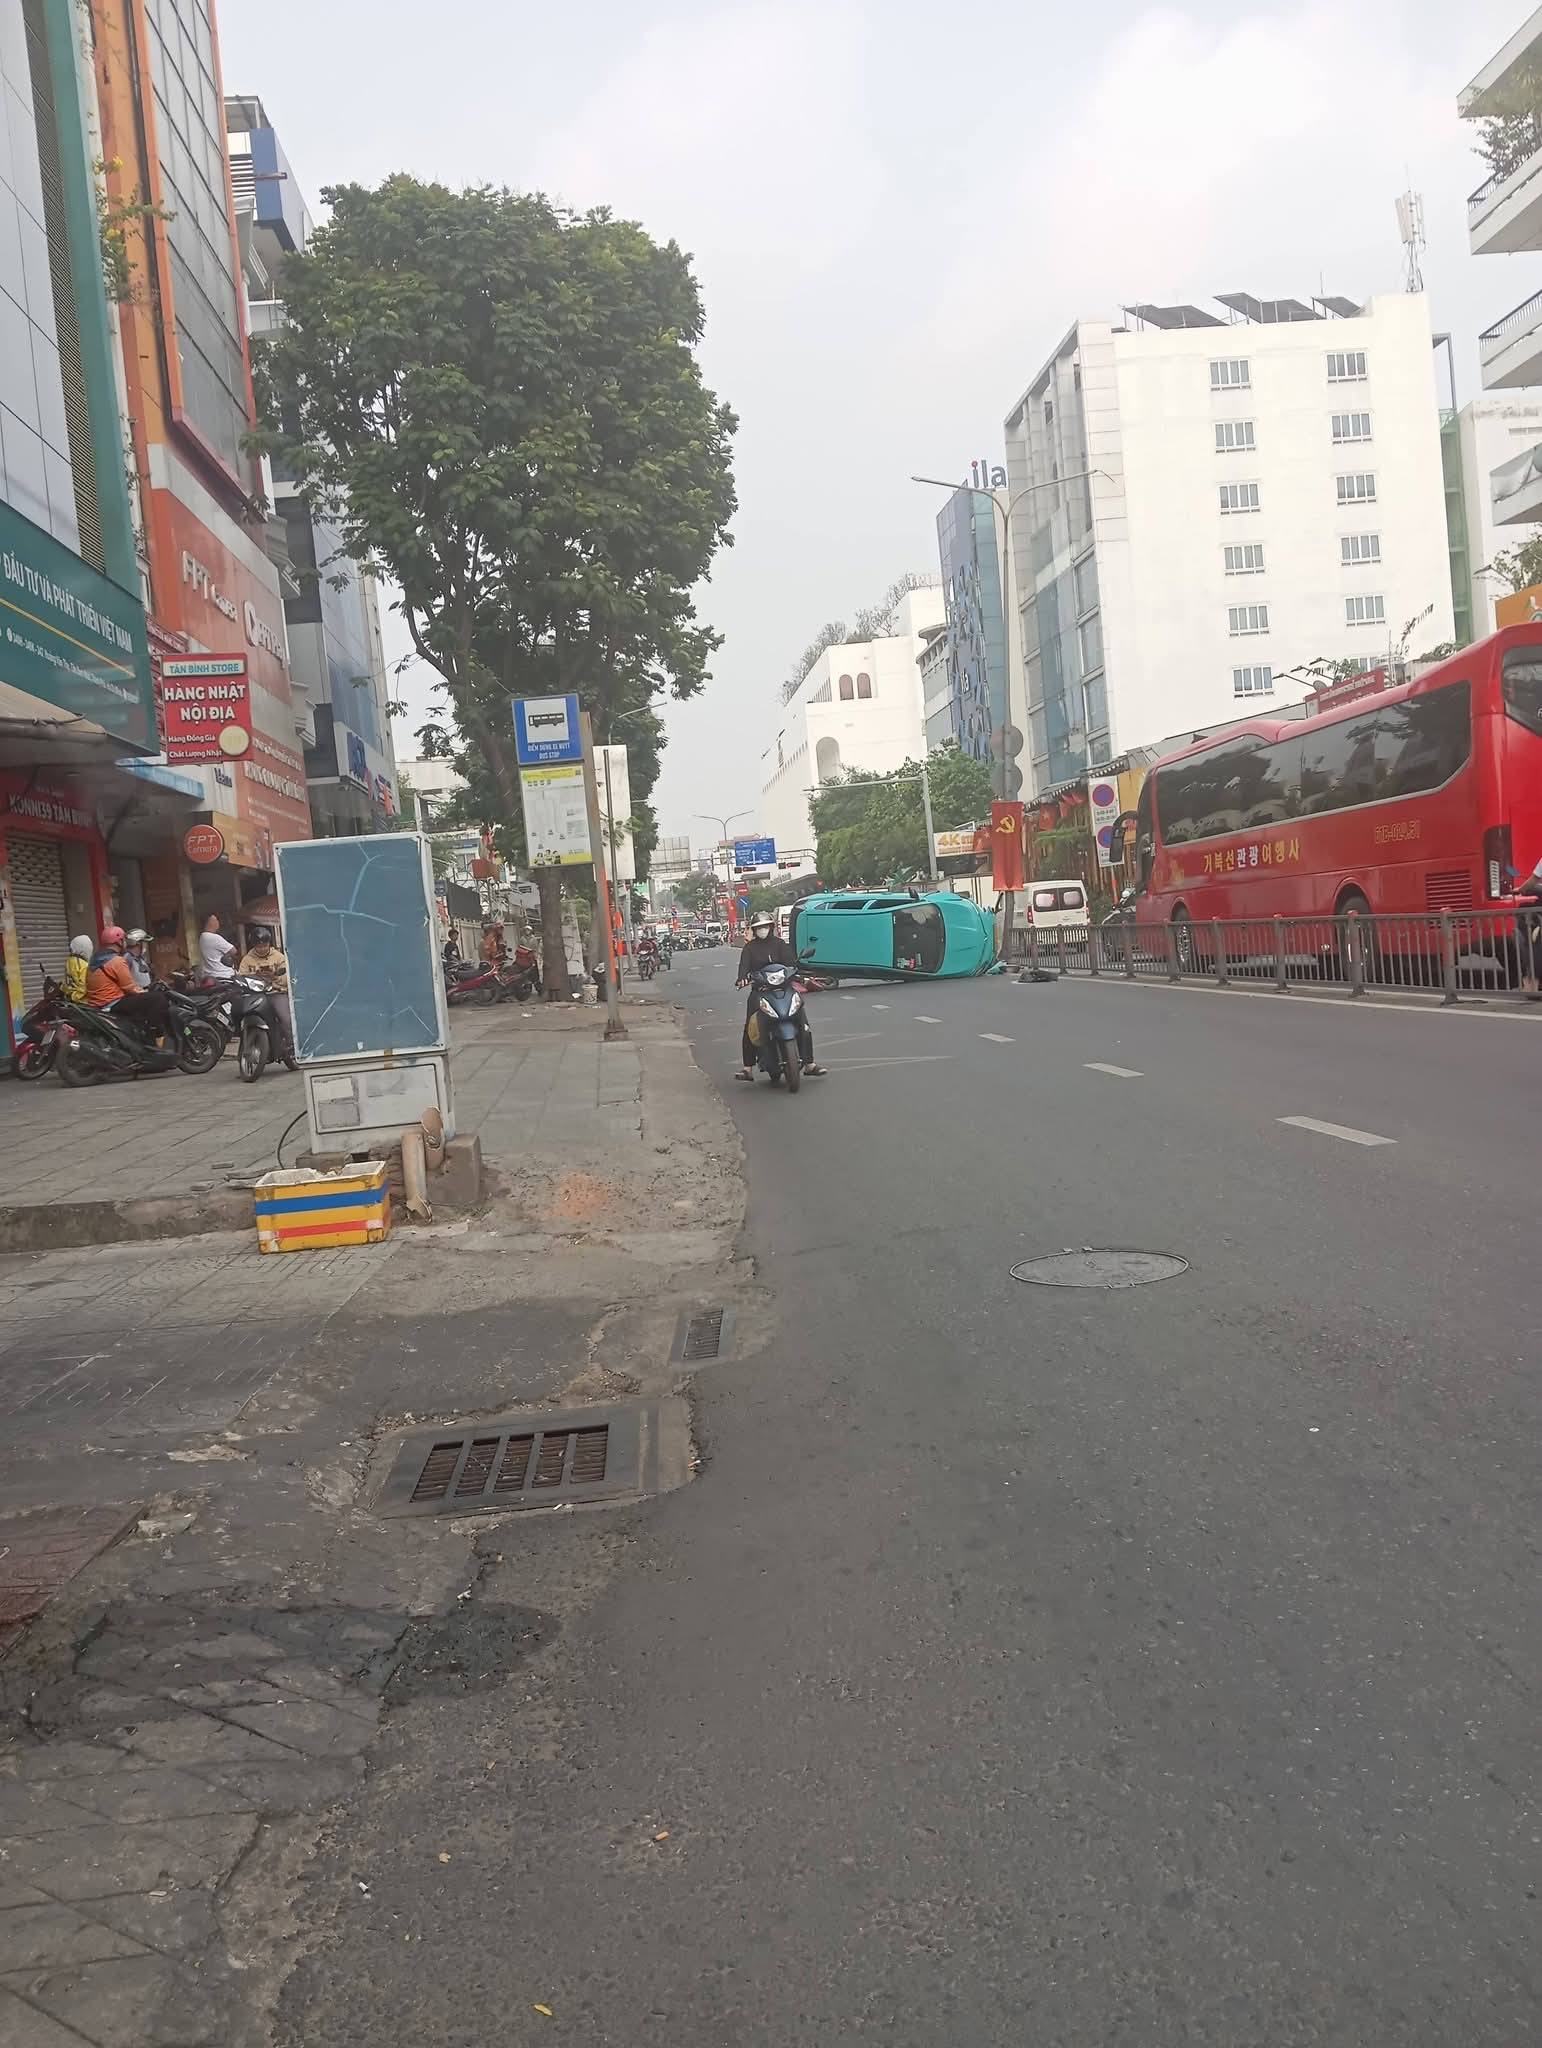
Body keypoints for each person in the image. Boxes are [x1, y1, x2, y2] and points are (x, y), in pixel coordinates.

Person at [736, 910, 822, 1078]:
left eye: (765, 926)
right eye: (759, 927)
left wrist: (798, 974)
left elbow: (791, 964)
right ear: (754, 930)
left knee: (803, 1022)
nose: (762, 930)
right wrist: (742, 979)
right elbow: (743, 968)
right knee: (750, 1027)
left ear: (771, 927)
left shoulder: (780, 944)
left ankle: (809, 1064)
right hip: (760, 992)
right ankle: (747, 1068)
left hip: (785, 990)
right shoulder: (749, 948)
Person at [86, 926, 171, 1039]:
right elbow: (130, 988)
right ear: (119, 942)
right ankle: (154, 1036)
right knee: (158, 998)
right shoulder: (116, 961)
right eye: (123, 940)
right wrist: (145, 992)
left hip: (99, 1004)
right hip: (113, 1003)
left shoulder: (94, 960)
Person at [237, 926, 293, 1054]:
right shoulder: (247, 959)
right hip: (255, 995)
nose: (262, 948)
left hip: (275, 993)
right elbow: (242, 976)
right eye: (259, 946)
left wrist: (276, 978)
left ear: (269, 944)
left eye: (265, 945)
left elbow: (287, 977)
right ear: (254, 946)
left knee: (285, 1018)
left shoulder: (278, 957)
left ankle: (291, 1045)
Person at [199, 913, 235, 986]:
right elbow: (233, 950)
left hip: (211, 976)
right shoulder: (214, 937)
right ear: (210, 922)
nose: (218, 922)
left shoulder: (202, 937)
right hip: (224, 975)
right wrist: (226, 956)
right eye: (216, 920)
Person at [63, 935, 91, 1002]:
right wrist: (75, 997)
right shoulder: (84, 965)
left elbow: (66, 981)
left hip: (68, 998)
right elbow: (83, 987)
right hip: (82, 1002)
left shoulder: (69, 961)